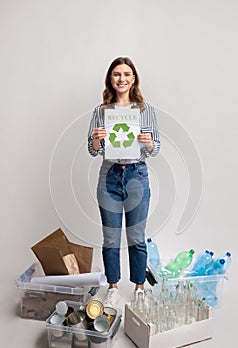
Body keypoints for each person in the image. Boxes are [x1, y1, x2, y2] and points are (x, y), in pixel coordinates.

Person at [87, 57, 160, 306]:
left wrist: (149, 143)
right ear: (110, 78)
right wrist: (97, 139)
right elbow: (93, 149)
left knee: (136, 236)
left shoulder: (145, 110)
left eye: (127, 74)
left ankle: (139, 287)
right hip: (109, 175)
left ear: (134, 78)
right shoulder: (101, 111)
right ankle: (113, 286)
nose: (122, 79)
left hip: (136, 175)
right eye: (117, 74)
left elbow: (155, 148)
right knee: (110, 237)